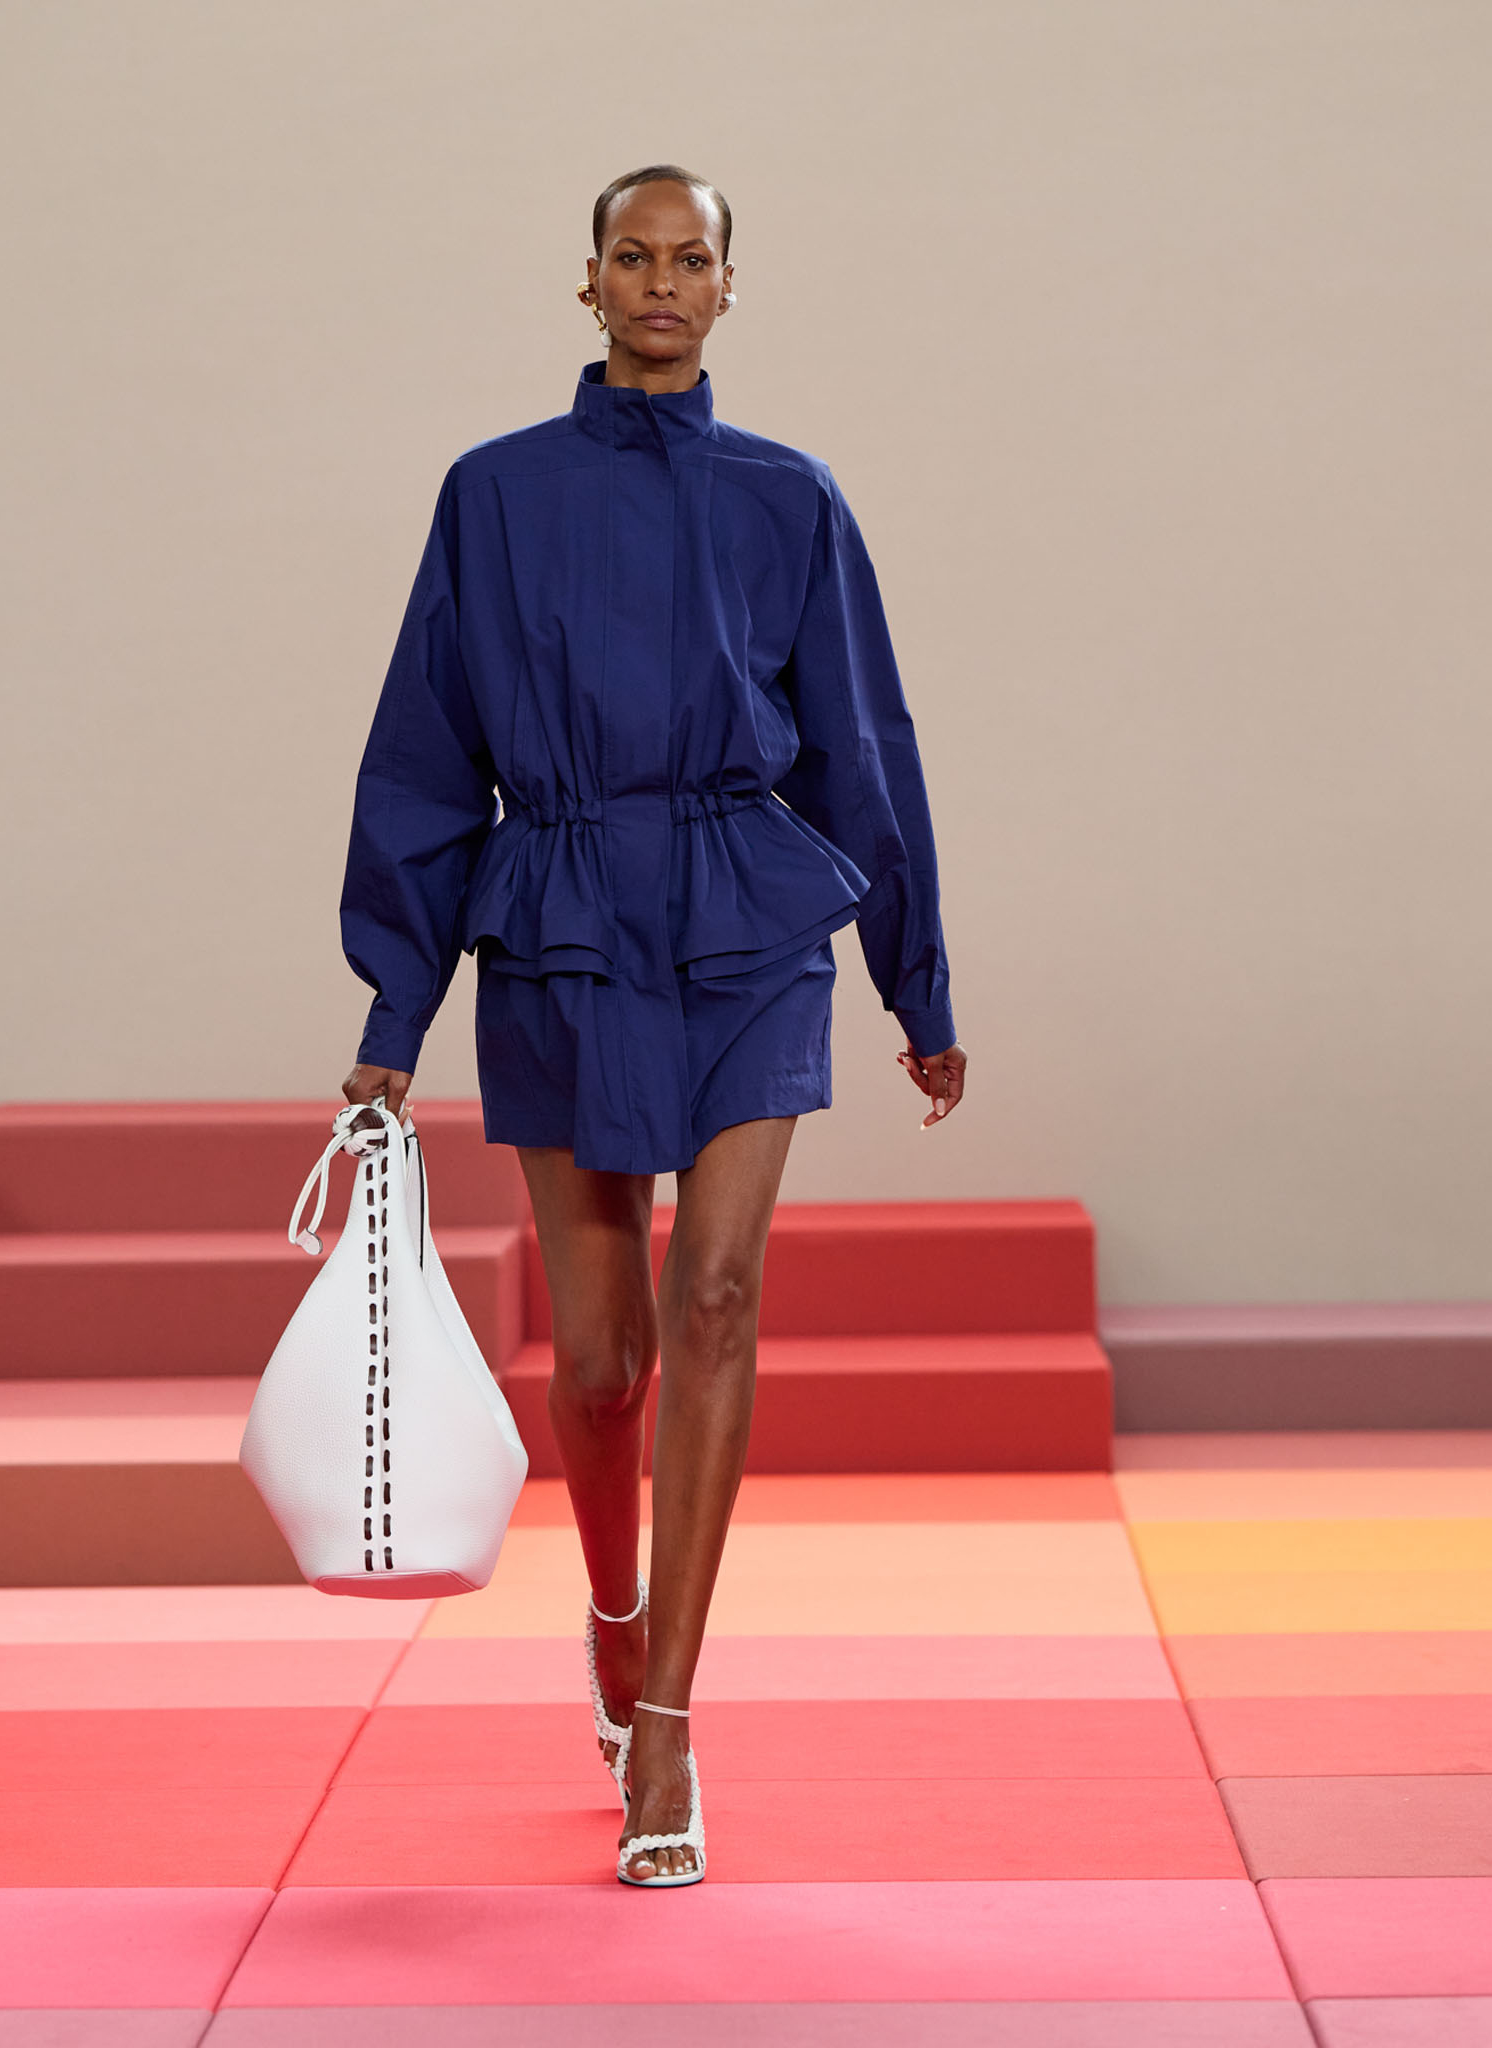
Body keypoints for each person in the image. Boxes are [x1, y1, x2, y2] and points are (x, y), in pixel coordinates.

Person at [339, 163, 967, 1887]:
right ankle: (611, 1612)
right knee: (603, 1358)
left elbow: (861, 739)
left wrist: (912, 977)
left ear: (728, 287)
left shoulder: (788, 496)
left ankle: (670, 1721)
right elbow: (422, 752)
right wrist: (397, 1001)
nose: (663, 282)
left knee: (718, 1296)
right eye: (634, 255)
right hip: (558, 923)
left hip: (746, 922)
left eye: (693, 259)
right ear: (590, 281)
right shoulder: (492, 493)